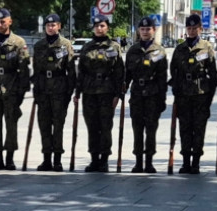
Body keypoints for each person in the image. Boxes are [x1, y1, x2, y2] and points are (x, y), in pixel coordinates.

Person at [0, 8, 31, 170]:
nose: (0, 24)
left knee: (11, 124)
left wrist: (22, 91)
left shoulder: (18, 43)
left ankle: (9, 158)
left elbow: (24, 69)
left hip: (11, 88)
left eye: (3, 21)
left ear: (10, 21)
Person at [169, 14, 217, 174]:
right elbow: (173, 70)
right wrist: (176, 90)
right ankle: (185, 161)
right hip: (183, 94)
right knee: (185, 128)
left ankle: (196, 161)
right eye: (188, 28)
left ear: (200, 29)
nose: (191, 31)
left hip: (200, 94)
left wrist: (209, 96)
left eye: (194, 28)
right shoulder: (180, 48)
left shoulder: (207, 47)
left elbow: (212, 73)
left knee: (198, 128)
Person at [76, 15, 124, 172]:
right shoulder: (87, 47)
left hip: (107, 92)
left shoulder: (113, 47)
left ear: (107, 27)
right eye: (96, 26)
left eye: (102, 26)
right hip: (89, 91)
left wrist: (118, 94)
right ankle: (94, 158)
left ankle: (104, 159)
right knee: (92, 126)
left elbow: (119, 72)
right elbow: (81, 71)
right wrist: (77, 92)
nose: (99, 28)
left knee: (105, 126)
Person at [30, 13, 76, 171]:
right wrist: (35, 91)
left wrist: (69, 93)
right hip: (43, 90)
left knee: (58, 126)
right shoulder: (39, 46)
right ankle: (46, 159)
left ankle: (57, 159)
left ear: (59, 26)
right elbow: (35, 71)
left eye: (53, 25)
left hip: (59, 90)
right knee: (44, 125)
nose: (50, 28)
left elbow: (71, 71)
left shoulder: (65, 45)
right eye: (48, 25)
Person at [123, 16, 167, 173]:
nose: (145, 32)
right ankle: (138, 161)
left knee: (151, 129)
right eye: (142, 29)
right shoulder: (132, 50)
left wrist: (162, 98)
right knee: (137, 128)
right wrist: (123, 88)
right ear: (138, 31)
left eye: (148, 29)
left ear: (153, 30)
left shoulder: (159, 51)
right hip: (136, 94)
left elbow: (162, 77)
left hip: (152, 94)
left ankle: (149, 161)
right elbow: (127, 74)